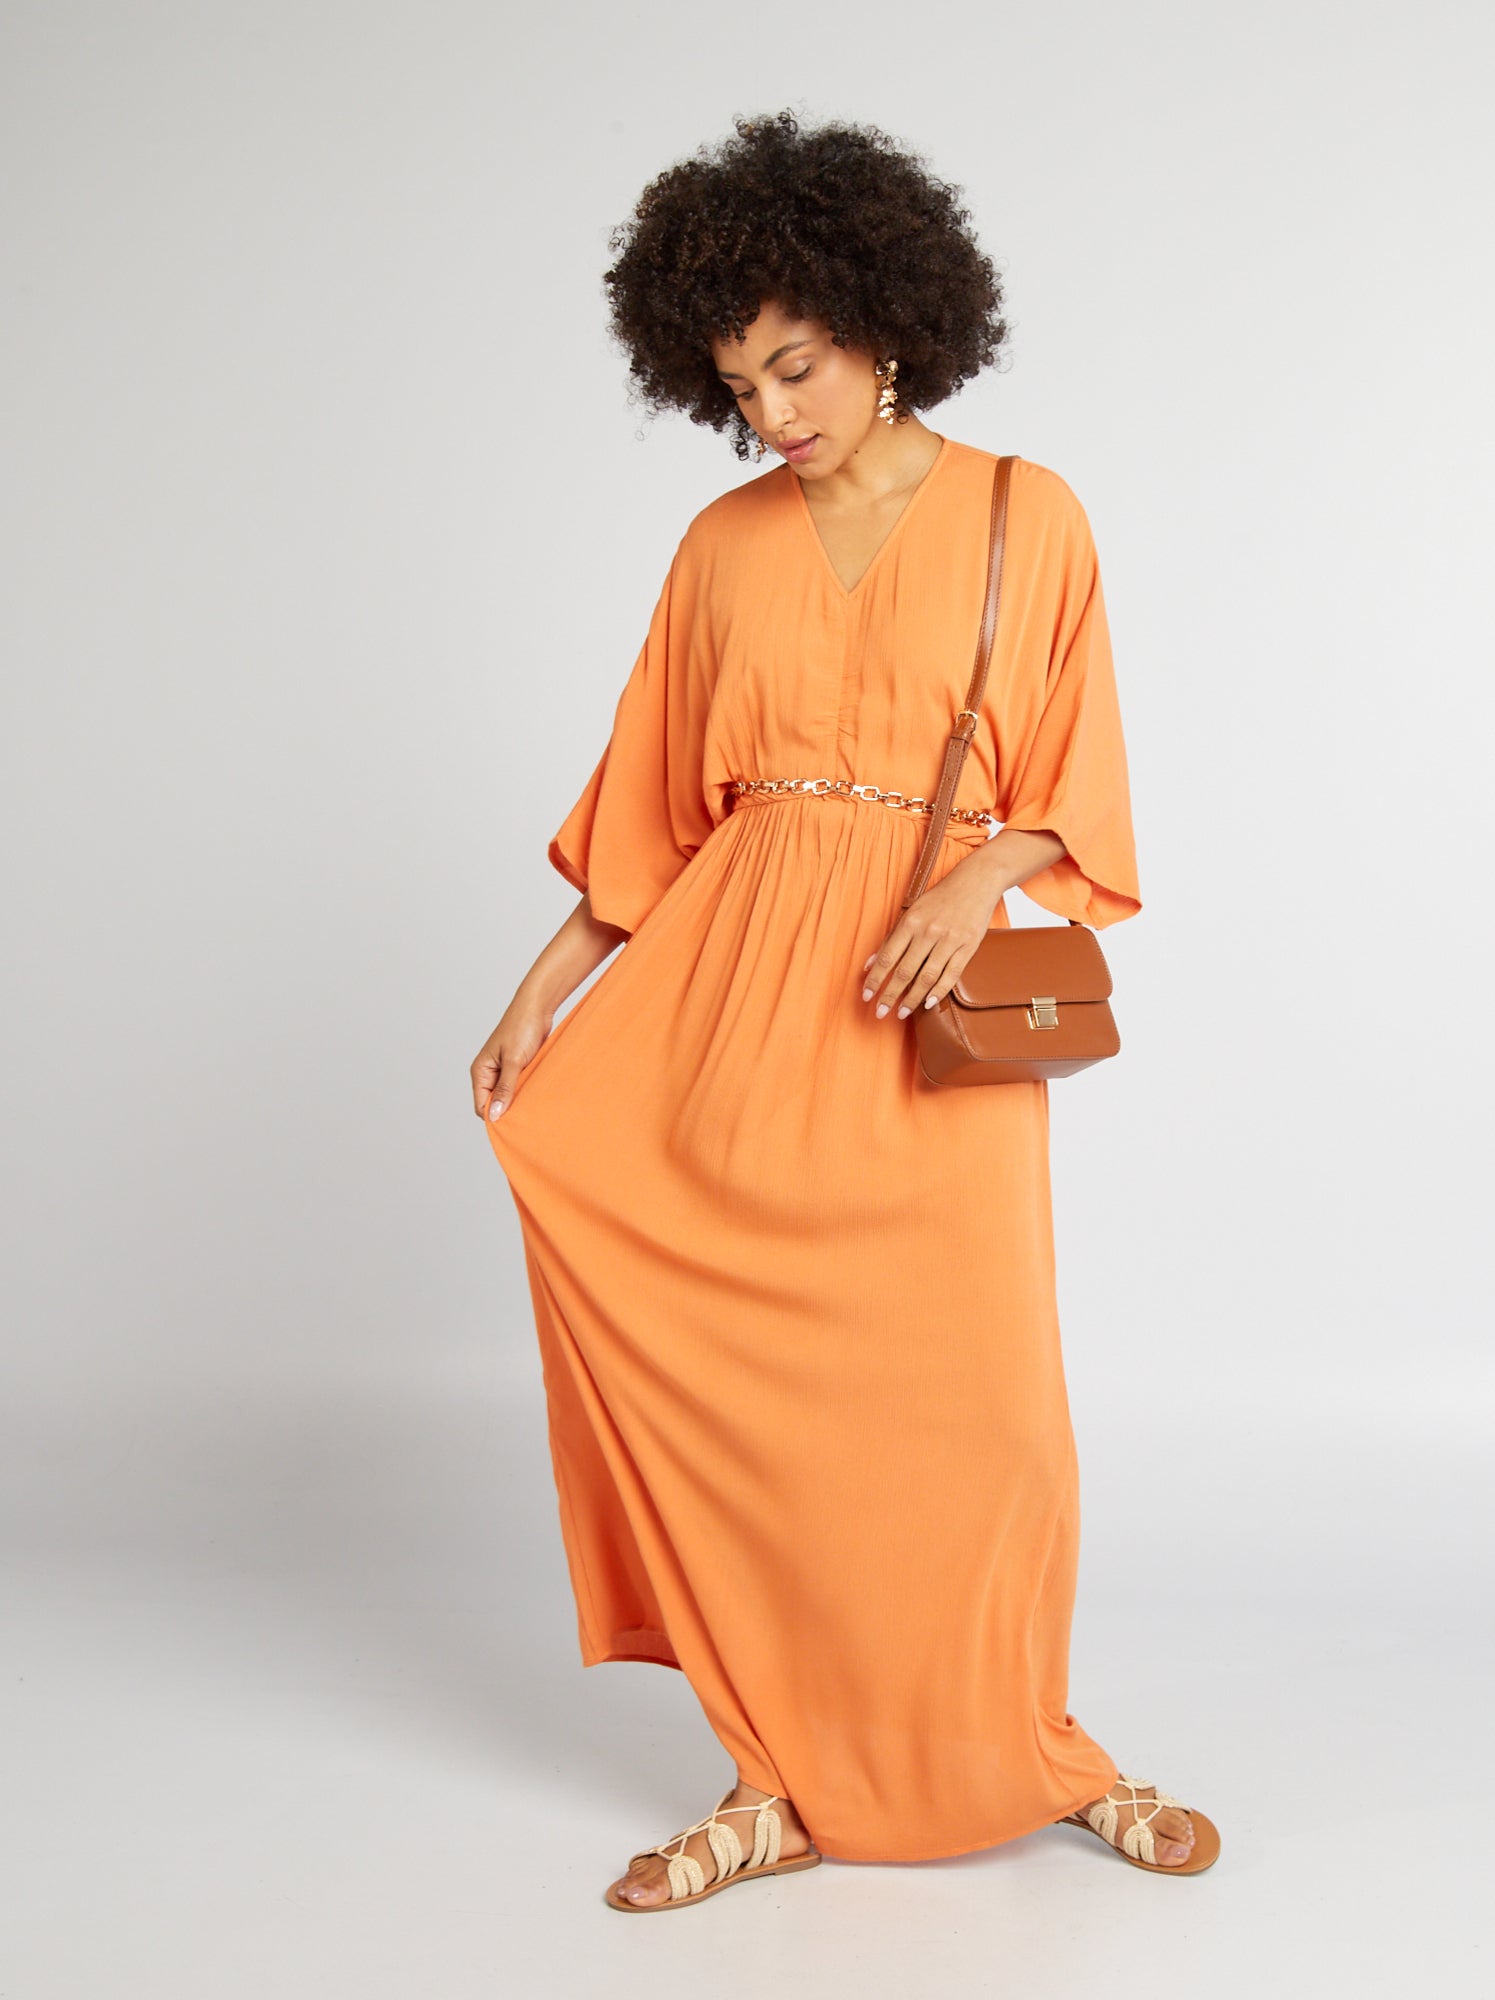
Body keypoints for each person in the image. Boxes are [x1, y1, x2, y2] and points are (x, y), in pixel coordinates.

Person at [469, 109, 1220, 1911]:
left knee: (988, 1416)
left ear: (888, 321)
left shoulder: (1027, 515)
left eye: (795, 365)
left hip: (919, 1012)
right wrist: (541, 993)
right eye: (737, 385)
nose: (772, 412)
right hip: (737, 1002)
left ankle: (1042, 1752)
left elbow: (1082, 788)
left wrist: (975, 876)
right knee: (768, 1423)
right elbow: (654, 818)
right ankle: (770, 1777)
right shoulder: (721, 548)